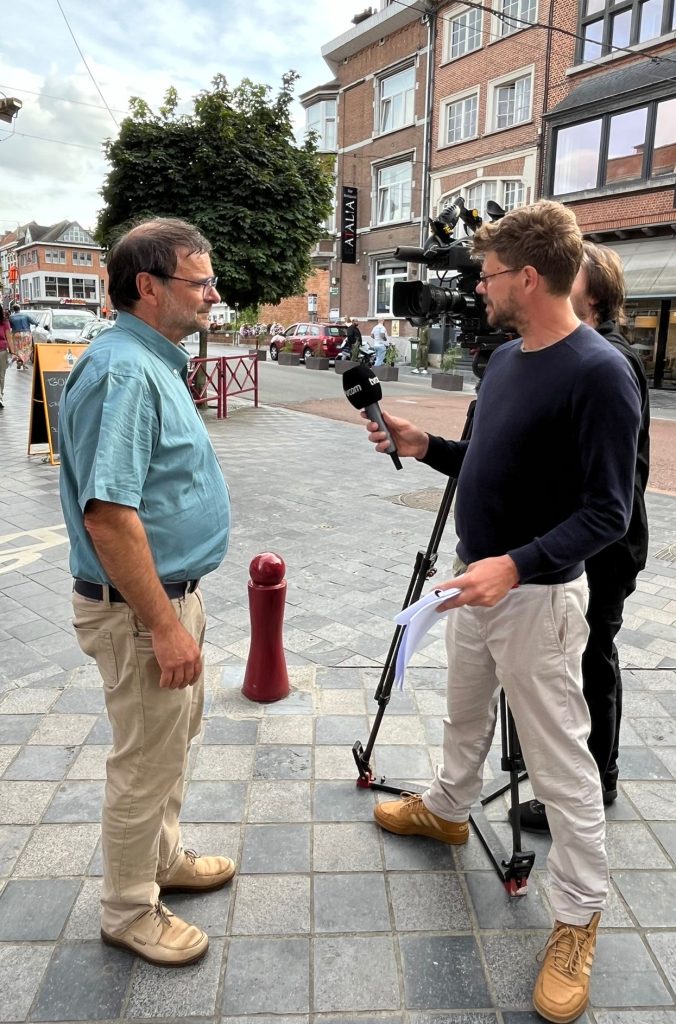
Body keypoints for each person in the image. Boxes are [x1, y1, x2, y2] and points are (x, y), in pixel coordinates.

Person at [363, 201, 641, 1024]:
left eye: (486, 275)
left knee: (561, 766)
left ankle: (579, 915)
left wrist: (515, 565)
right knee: (461, 714)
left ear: (528, 277)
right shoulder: (513, 356)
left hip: (537, 599)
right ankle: (449, 811)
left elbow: (608, 515)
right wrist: (424, 447)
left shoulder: (600, 372)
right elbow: (487, 460)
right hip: (476, 582)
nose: (476, 288)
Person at [59, 217, 233, 968]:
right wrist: (163, 626)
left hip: (160, 601)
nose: (214, 295)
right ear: (149, 287)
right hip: (141, 611)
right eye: (201, 282)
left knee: (168, 748)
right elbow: (108, 515)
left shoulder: (150, 359)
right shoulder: (127, 370)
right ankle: (129, 909)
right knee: (144, 760)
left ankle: (159, 861)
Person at [517, 240, 650, 835]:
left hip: (601, 549)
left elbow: (613, 489)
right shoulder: (565, 352)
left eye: (571, 273)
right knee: (577, 659)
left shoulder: (606, 360)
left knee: (589, 659)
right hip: (575, 542)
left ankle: (595, 780)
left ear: (592, 295)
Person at [8, 302, 38, 369]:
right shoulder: (25, 315)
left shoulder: (11, 317)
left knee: (18, 349)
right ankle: (23, 362)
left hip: (16, 334)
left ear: (13, 309)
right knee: (26, 349)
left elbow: (9, 326)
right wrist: (36, 324)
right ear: (19, 309)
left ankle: (19, 360)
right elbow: (33, 322)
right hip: (26, 334)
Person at [0, 306, 11, 406]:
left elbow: (9, 337)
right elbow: (9, 338)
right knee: (1, 375)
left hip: (2, 351)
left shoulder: (5, 322)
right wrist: (13, 352)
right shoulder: (4, 322)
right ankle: (0, 396)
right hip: (2, 351)